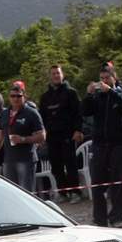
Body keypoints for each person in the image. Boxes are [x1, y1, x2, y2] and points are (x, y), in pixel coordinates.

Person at [82, 65, 122, 227]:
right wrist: (89, 94)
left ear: (114, 78)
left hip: (118, 143)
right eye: (102, 79)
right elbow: (85, 111)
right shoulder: (97, 97)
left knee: (118, 183)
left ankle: (116, 217)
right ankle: (99, 219)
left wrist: (111, 92)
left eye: (107, 78)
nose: (104, 81)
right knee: (97, 183)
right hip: (99, 144)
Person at [0, 83, 45, 191]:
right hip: (9, 160)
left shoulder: (31, 113)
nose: (15, 98)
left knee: (26, 193)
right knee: (13, 192)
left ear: (24, 97)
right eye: (13, 96)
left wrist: (23, 139)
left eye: (19, 96)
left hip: (26, 159)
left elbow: (42, 136)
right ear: (9, 98)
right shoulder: (4, 113)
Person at [38, 65, 84, 202]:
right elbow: (42, 118)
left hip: (68, 134)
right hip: (52, 136)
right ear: (50, 76)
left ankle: (76, 192)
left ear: (62, 75)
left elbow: (78, 113)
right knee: (56, 165)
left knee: (70, 164)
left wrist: (78, 130)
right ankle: (63, 193)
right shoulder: (45, 97)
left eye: (58, 73)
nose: (56, 76)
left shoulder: (71, 93)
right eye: (53, 74)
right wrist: (43, 134)